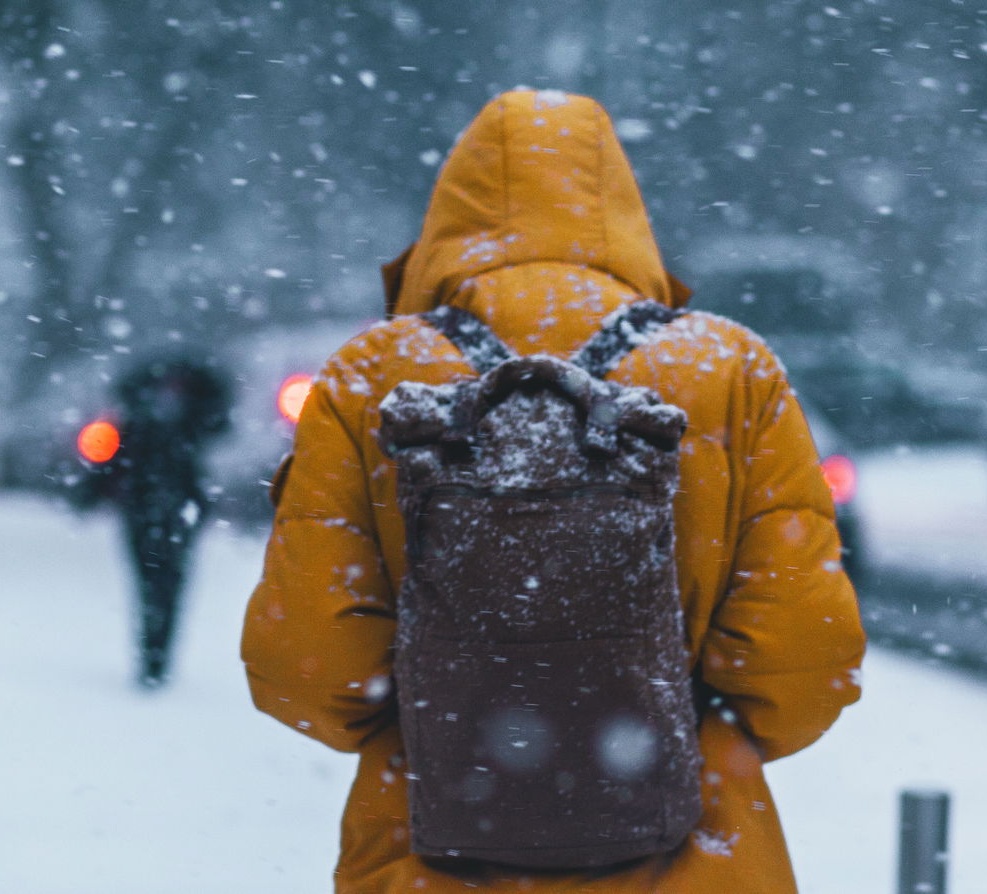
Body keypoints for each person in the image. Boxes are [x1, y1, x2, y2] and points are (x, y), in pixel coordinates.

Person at [243, 90, 866, 891]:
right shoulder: (728, 371)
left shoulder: (372, 377)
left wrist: (455, 719)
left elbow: (306, 670)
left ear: (447, 219)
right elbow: (804, 665)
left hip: (425, 857)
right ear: (622, 210)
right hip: (697, 861)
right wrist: (665, 732)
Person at [76, 356, 230, 689]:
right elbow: (110, 458)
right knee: (156, 584)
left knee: (163, 584)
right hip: (155, 509)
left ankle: (156, 656)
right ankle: (153, 656)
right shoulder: (156, 420)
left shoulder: (177, 418)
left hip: (163, 510)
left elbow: (110, 459)